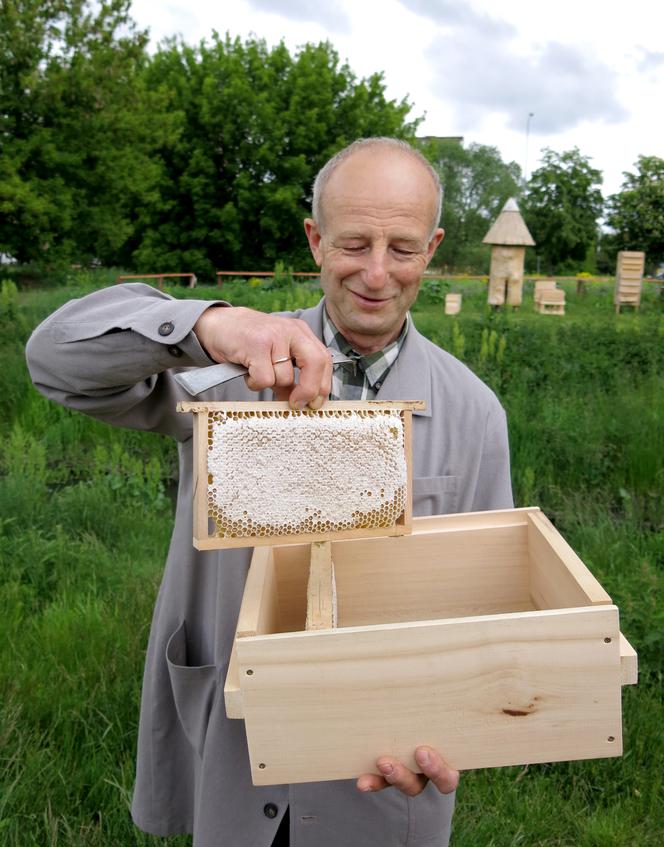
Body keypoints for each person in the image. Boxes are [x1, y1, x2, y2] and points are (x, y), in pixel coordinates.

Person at [27, 137, 513, 847]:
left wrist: (446, 727)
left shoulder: (475, 413)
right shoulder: (225, 371)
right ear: (315, 240)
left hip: (374, 785)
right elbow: (53, 361)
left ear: (433, 248)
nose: (377, 273)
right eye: (353, 243)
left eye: (402, 248)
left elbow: (484, 615)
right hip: (231, 755)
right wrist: (207, 325)